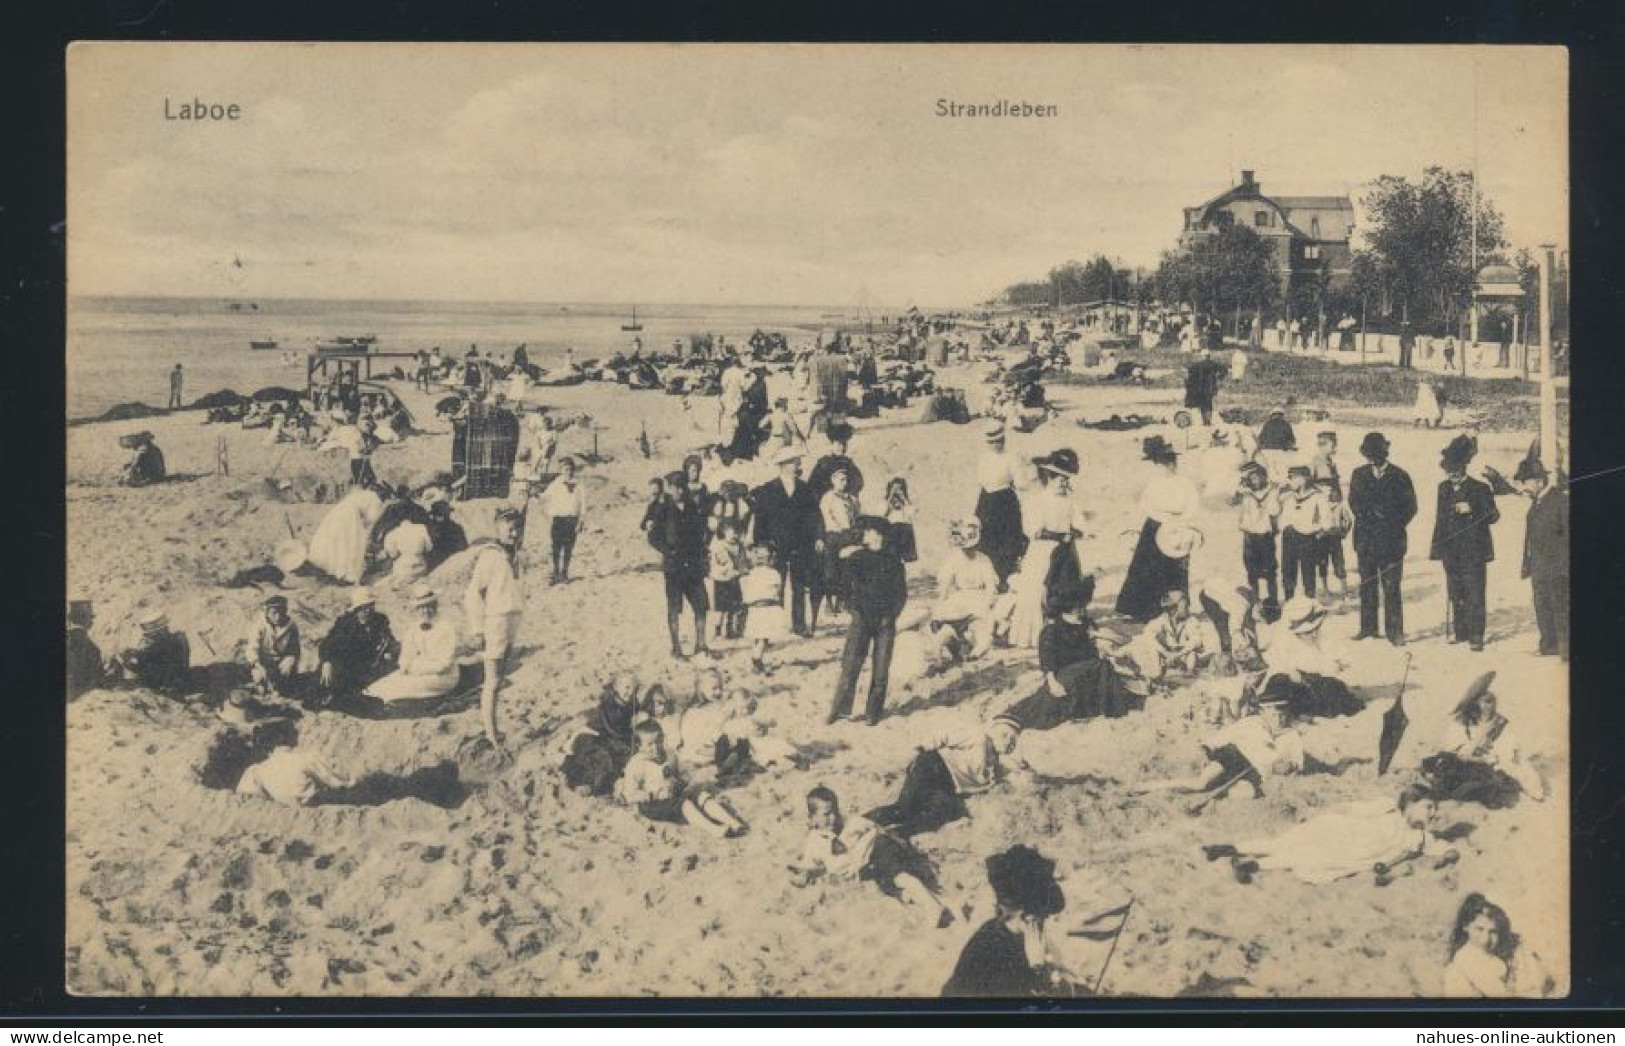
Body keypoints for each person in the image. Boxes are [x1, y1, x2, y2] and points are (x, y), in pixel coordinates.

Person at [791, 786, 952, 928]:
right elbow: (810, 866)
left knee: (897, 875)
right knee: (890, 886)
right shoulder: (814, 841)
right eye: (826, 814)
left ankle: (932, 906)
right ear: (813, 818)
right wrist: (804, 875)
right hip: (865, 868)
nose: (832, 818)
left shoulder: (851, 824)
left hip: (879, 848)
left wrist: (898, 843)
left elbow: (876, 828)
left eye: (835, 812)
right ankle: (933, 900)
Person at [1003, 576, 1146, 731]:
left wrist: (1099, 635)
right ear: (1066, 607)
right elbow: (1047, 662)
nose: (1083, 609)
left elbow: (1123, 640)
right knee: (1043, 709)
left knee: (1103, 667)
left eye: (1083, 604)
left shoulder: (1086, 624)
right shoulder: (1051, 631)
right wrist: (1053, 684)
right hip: (1065, 676)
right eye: (1078, 606)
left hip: (1090, 672)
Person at [941, 844, 1067, 997]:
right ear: (1028, 918)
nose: (1044, 924)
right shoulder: (992, 948)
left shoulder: (1013, 935)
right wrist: (1037, 968)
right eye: (1043, 917)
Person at [868, 716, 1023, 838]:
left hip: (947, 784)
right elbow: (944, 736)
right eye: (1004, 735)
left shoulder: (994, 765)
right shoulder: (979, 738)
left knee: (937, 813)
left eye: (1013, 740)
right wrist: (920, 749)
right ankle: (862, 823)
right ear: (992, 731)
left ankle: (898, 834)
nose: (1008, 741)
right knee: (905, 807)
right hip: (934, 766)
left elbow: (998, 779)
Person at [829, 516, 908, 725]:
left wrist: (891, 616)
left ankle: (873, 712)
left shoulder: (895, 563)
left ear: (880, 535)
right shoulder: (856, 559)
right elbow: (844, 589)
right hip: (861, 619)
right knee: (851, 666)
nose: (869, 535)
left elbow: (901, 595)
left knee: (881, 670)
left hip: (885, 622)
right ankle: (839, 709)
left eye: (872, 532)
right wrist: (854, 610)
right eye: (868, 532)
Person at [1009, 448, 1092, 646]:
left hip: (1066, 552)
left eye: (1066, 480)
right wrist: (1060, 535)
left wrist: (1077, 532)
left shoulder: (1069, 502)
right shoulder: (1037, 500)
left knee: (1066, 588)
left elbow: (1081, 525)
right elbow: (1034, 530)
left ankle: (1064, 631)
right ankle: (1036, 634)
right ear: (1051, 478)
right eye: (1061, 479)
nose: (1064, 483)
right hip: (1042, 552)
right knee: (1036, 591)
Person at [615, 719, 749, 837]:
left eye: (659, 741)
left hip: (673, 791)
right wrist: (653, 795)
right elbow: (630, 795)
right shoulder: (636, 765)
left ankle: (733, 823)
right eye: (650, 744)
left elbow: (679, 772)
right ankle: (714, 829)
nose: (656, 747)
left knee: (701, 795)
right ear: (639, 746)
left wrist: (683, 782)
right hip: (652, 803)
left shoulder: (669, 754)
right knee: (685, 805)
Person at [1115, 436, 1199, 622]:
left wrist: (1181, 521)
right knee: (1147, 567)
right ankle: (1143, 610)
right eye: (1162, 463)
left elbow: (1193, 505)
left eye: (1170, 462)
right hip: (1155, 526)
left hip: (1178, 529)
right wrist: (1163, 518)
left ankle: (1176, 608)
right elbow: (1146, 504)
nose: (1167, 466)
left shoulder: (1185, 483)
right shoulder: (1155, 482)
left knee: (1175, 568)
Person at [1430, 435, 1500, 651]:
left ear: (1463, 467)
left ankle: (1476, 635)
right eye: (1448, 470)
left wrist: (1473, 510)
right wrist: (1438, 548)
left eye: (1455, 469)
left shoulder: (1480, 488)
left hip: (1474, 551)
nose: (1451, 474)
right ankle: (1461, 631)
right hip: (1451, 551)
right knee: (1456, 591)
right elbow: (1439, 520)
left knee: (1475, 592)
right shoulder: (1443, 488)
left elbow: (1493, 515)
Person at [1348, 432, 1417, 645]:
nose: (1371, 460)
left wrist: (1390, 521)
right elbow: (1354, 503)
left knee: (1391, 587)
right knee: (1367, 584)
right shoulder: (1358, 474)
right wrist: (1369, 515)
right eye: (1368, 455)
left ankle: (1395, 632)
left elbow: (1411, 508)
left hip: (1392, 542)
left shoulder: (1400, 475)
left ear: (1384, 454)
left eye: (1375, 455)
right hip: (1366, 540)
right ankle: (1367, 628)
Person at [465, 507, 526, 748]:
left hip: (513, 618)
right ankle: (490, 734)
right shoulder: (490, 556)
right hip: (495, 621)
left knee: (500, 679)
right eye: (509, 528)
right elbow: (472, 594)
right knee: (492, 681)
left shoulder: (517, 556)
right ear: (497, 529)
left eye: (517, 528)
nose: (513, 533)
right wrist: (478, 629)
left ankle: (495, 729)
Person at [749, 446, 821, 637]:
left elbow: (814, 516)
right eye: (793, 461)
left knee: (798, 586)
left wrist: (819, 537)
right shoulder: (768, 489)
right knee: (775, 586)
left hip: (800, 545)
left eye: (797, 461)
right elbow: (760, 518)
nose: (797, 464)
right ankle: (775, 628)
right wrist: (760, 544)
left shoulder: (805, 489)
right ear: (783, 466)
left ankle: (799, 626)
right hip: (775, 546)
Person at [366, 583, 462, 702]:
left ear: (435, 606)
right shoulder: (414, 629)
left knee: (399, 688)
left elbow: (443, 665)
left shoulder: (446, 628)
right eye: (421, 607)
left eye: (429, 606)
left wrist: (414, 668)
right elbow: (406, 655)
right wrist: (405, 667)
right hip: (417, 671)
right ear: (416, 610)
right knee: (377, 687)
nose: (425, 611)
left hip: (442, 677)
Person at [1514, 454, 1569, 659]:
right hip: (1539, 568)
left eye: (1525, 481)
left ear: (1539, 481)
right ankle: (1548, 645)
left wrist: (1564, 566)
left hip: (1558, 569)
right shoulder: (1535, 504)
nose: (1522, 486)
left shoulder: (1561, 502)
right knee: (1542, 606)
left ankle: (1566, 651)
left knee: (1560, 608)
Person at [656, 471, 714, 659]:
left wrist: (703, 553)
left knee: (701, 605)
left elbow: (700, 533)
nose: (677, 491)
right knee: (674, 607)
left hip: (693, 565)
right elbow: (653, 536)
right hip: (673, 567)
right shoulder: (663, 509)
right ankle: (676, 648)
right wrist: (667, 550)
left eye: (680, 487)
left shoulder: (692, 507)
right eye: (673, 487)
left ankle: (701, 645)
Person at [933, 518, 1006, 661]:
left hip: (978, 598)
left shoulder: (983, 560)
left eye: (972, 546)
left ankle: (976, 652)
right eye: (965, 546)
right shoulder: (954, 559)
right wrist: (939, 608)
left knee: (981, 630)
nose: (968, 549)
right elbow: (945, 586)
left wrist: (988, 603)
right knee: (947, 628)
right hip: (960, 599)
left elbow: (990, 585)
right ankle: (942, 654)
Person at [563, 672, 643, 796]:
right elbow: (613, 727)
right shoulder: (610, 705)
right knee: (602, 758)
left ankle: (607, 784)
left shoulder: (631, 704)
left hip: (611, 739)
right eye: (626, 687)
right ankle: (588, 784)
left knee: (624, 758)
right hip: (596, 736)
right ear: (616, 688)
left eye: (633, 688)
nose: (630, 691)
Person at [315, 587, 399, 703]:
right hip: (349, 666)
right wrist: (327, 661)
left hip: (370, 666)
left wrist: (390, 651)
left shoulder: (380, 620)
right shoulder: (345, 623)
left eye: (370, 606)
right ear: (356, 609)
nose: (368, 610)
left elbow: (390, 640)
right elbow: (327, 643)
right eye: (363, 608)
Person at [974, 420, 1028, 589]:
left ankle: (1005, 576)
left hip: (1005, 502)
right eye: (991, 442)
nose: (995, 445)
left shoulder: (1012, 458)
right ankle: (989, 576)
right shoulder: (983, 458)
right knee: (986, 537)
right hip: (986, 501)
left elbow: (1022, 483)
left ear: (1004, 440)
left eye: (998, 441)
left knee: (1007, 540)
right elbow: (980, 481)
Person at [1130, 589, 1222, 683]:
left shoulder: (1191, 620)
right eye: (1185, 607)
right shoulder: (1160, 621)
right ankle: (1153, 676)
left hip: (1181, 656)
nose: (1188, 609)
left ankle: (1188, 675)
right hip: (1166, 656)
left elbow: (1196, 641)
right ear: (1173, 609)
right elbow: (1148, 637)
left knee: (1192, 654)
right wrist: (1166, 653)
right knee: (1150, 651)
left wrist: (1177, 655)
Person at [306, 483, 386, 584]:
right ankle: (347, 574)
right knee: (351, 543)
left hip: (338, 512)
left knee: (336, 541)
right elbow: (370, 519)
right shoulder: (376, 500)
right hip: (350, 517)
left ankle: (334, 570)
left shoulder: (361, 494)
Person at [1230, 461, 1281, 619]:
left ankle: (1272, 605)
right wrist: (1239, 487)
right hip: (1250, 538)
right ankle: (1256, 604)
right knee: (1252, 574)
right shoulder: (1244, 493)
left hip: (1265, 537)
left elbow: (1276, 509)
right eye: (1251, 478)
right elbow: (1232, 502)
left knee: (1270, 574)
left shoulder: (1272, 491)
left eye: (1257, 477)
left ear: (1263, 477)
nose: (1254, 480)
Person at [1443, 895, 1517, 996]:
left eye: (1492, 931)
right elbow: (1499, 994)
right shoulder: (1465, 957)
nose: (1485, 938)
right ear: (1465, 926)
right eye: (1479, 929)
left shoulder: (1486, 954)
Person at [816, 467, 861, 616]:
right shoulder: (827, 498)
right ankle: (830, 599)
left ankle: (849, 599)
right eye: (841, 480)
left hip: (850, 535)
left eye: (846, 480)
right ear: (833, 481)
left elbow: (857, 518)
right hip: (834, 534)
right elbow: (825, 519)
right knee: (831, 567)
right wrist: (840, 531)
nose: (844, 482)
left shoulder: (852, 499)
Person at [113, 611, 190, 695]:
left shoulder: (159, 646)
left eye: (149, 634)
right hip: (176, 678)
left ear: (157, 632)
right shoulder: (177, 638)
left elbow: (137, 663)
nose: (146, 637)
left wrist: (127, 657)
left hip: (161, 683)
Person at [1278, 464, 1325, 601]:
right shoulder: (1288, 497)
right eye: (1290, 478)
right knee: (1287, 571)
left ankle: (1309, 604)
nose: (1290, 481)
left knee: (1308, 573)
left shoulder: (1317, 496)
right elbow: (1278, 513)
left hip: (1307, 538)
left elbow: (1327, 519)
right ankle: (1289, 602)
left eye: (1293, 478)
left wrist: (1317, 531)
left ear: (1304, 479)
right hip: (1289, 537)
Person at [740, 544, 789, 674]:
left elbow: (746, 592)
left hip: (754, 609)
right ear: (771, 559)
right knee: (764, 637)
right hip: (768, 608)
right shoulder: (774, 574)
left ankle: (757, 659)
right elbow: (778, 589)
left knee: (757, 635)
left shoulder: (750, 574)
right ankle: (756, 657)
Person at [538, 456, 586, 584]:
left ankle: (564, 573)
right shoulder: (555, 484)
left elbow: (583, 504)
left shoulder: (579, 485)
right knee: (556, 547)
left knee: (568, 548)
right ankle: (555, 572)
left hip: (572, 520)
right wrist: (537, 493)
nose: (568, 472)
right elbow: (544, 497)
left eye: (570, 469)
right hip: (558, 519)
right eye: (565, 469)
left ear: (573, 470)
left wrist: (581, 521)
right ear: (561, 470)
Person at [243, 595, 301, 697]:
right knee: (258, 680)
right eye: (274, 613)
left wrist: (290, 659)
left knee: (286, 684)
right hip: (262, 661)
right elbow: (252, 648)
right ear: (267, 613)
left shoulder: (291, 627)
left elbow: (294, 649)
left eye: (281, 613)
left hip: (279, 662)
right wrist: (257, 665)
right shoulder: (260, 625)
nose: (278, 617)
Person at [1317, 479, 1354, 601]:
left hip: (1335, 539)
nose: (1328, 494)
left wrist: (1342, 532)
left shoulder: (1340, 507)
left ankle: (1344, 589)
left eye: (1331, 491)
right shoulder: (1318, 506)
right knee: (1323, 564)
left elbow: (1348, 521)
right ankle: (1325, 589)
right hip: (1322, 539)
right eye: (1325, 492)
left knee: (1339, 563)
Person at [807, 422, 864, 500]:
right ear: (832, 445)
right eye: (838, 444)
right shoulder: (824, 463)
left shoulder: (848, 463)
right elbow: (813, 485)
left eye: (844, 444)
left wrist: (850, 493)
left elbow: (858, 481)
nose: (842, 448)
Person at [67, 600, 107, 699]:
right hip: (81, 694)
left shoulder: (69, 637)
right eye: (91, 617)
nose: (92, 621)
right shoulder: (88, 645)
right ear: (84, 618)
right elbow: (93, 676)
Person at [424, 498, 469, 571]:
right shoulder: (428, 527)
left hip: (450, 564)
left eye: (444, 514)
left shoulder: (456, 528)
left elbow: (463, 548)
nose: (442, 517)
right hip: (436, 565)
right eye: (439, 515)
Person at [1183, 348, 1225, 426]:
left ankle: (1205, 421)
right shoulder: (1213, 364)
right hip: (1210, 388)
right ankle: (1208, 420)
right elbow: (1223, 369)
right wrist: (1219, 376)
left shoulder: (1197, 365)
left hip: (1200, 388)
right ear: (1208, 356)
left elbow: (1189, 372)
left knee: (1202, 404)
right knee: (1209, 404)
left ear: (1203, 356)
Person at [883, 476, 919, 564]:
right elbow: (882, 513)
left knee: (902, 559)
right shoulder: (887, 502)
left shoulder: (905, 504)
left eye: (900, 488)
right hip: (891, 531)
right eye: (895, 488)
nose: (897, 492)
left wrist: (903, 498)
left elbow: (912, 513)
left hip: (904, 532)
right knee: (889, 557)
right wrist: (891, 496)